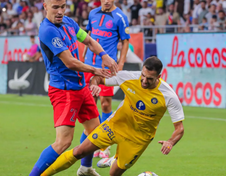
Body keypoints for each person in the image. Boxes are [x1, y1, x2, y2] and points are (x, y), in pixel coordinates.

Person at [40, 57, 185, 176]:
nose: (144, 81)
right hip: (115, 126)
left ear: (159, 77)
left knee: (113, 174)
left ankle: (114, 160)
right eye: (143, 76)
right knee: (79, 151)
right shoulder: (130, 77)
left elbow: (179, 129)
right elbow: (98, 78)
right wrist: (94, 84)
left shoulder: (168, 96)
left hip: (139, 139)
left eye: (150, 79)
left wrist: (170, 142)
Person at [29, 0, 118, 176]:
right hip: (64, 91)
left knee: (95, 131)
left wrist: (104, 55)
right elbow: (70, 62)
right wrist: (96, 69)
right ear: (45, 6)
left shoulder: (69, 22)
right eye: (55, 7)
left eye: (63, 7)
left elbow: (89, 41)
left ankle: (85, 169)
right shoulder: (47, 30)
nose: (60, 11)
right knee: (63, 143)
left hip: (80, 87)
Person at [83, 0, 130, 159]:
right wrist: (82, 58)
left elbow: (125, 41)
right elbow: (87, 37)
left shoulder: (120, 17)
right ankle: (92, 143)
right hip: (89, 65)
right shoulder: (93, 13)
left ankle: (105, 145)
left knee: (105, 104)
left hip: (106, 67)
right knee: (90, 105)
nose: (107, 0)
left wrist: (121, 63)